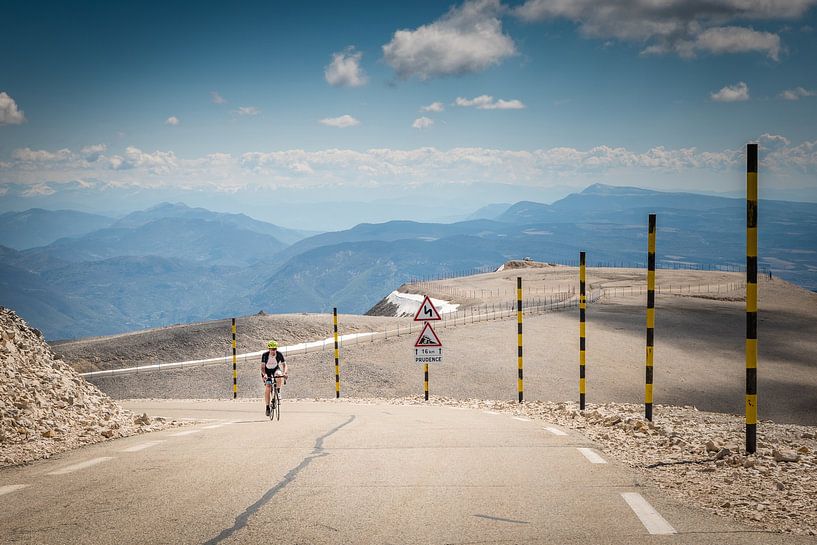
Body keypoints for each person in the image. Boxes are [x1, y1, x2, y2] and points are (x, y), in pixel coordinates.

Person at [261, 340, 287, 416]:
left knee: (279, 374)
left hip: (275, 369)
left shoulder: (279, 354)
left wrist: (285, 373)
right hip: (267, 371)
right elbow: (262, 367)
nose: (273, 351)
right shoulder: (265, 355)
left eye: (275, 349)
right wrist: (264, 374)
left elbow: (284, 365)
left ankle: (278, 391)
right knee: (268, 386)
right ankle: (267, 407)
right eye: (272, 349)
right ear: (269, 349)